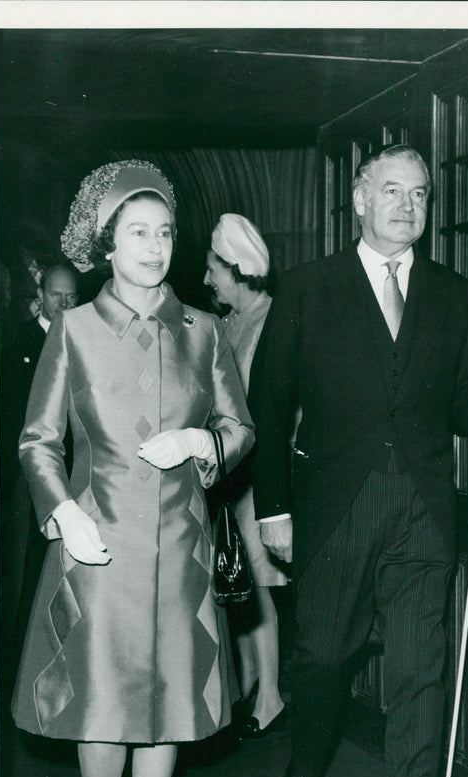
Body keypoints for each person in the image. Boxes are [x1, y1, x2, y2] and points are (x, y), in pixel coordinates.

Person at [248, 144, 468, 777]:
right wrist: (273, 509)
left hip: (424, 507)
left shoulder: (459, 297)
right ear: (360, 199)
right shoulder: (307, 289)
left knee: (419, 672)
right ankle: (307, 757)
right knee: (323, 658)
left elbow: (465, 398)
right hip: (336, 505)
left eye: (420, 193)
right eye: (392, 190)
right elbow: (267, 405)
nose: (407, 205)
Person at [10, 160, 254, 777]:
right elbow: (37, 442)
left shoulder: (203, 330)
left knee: (167, 709)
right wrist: (62, 511)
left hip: (180, 549)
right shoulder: (74, 330)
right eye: (137, 234)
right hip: (99, 547)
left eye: (164, 233)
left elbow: (240, 428)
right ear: (108, 246)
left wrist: (201, 441)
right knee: (104, 703)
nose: (154, 247)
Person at [203, 214, 289, 739]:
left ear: (236, 269)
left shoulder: (272, 321)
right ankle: (251, 683)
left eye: (214, 269)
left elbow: (270, 413)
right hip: (229, 474)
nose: (208, 279)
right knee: (233, 581)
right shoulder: (229, 323)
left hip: (259, 476)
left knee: (255, 584)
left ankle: (272, 696)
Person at [0, 264, 80, 671]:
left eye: (71, 297)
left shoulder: (83, 339)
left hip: (75, 474)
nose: (64, 303)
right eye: (56, 296)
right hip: (30, 475)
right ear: (40, 294)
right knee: (27, 568)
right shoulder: (20, 343)